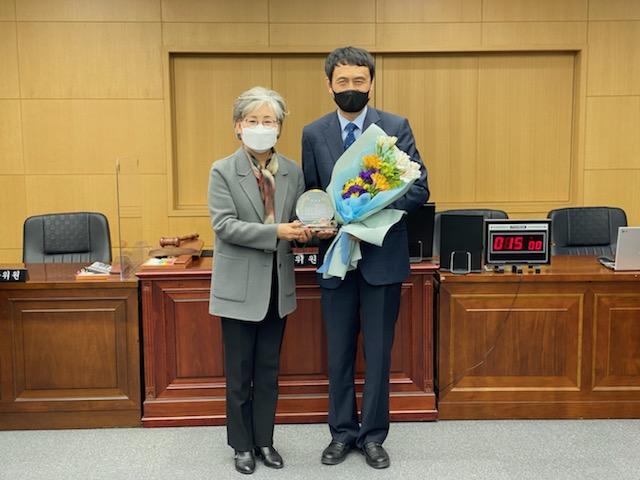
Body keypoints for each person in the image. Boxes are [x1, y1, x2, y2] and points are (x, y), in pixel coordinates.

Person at [301, 46, 429, 469]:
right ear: (329, 85)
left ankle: (373, 435)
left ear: (371, 82)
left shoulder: (394, 126)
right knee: (338, 353)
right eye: (342, 81)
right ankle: (341, 433)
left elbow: (417, 187)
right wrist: (321, 221)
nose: (351, 88)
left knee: (378, 353)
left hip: (382, 257)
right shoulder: (313, 133)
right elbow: (312, 194)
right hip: (336, 258)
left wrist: (372, 211)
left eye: (359, 80)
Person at [208, 86, 311, 475]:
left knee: (268, 372)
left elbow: (298, 219)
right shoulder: (222, 170)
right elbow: (224, 226)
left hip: (277, 288)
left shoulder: (292, 171)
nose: (261, 127)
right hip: (238, 288)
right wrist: (278, 232)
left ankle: (265, 440)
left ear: (280, 127)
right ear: (238, 126)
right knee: (239, 374)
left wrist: (307, 230)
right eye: (253, 120)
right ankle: (241, 446)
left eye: (269, 120)